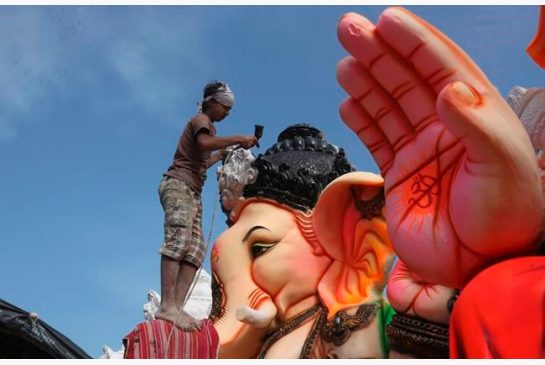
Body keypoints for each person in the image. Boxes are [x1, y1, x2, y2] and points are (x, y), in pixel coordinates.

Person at [154, 81, 258, 331]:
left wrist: (223, 154)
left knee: (196, 248)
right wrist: (237, 138)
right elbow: (203, 144)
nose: (227, 112)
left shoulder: (208, 130)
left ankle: (176, 306)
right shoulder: (200, 121)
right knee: (178, 240)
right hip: (178, 184)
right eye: (225, 107)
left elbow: (202, 159)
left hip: (192, 190)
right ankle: (167, 305)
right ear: (211, 102)